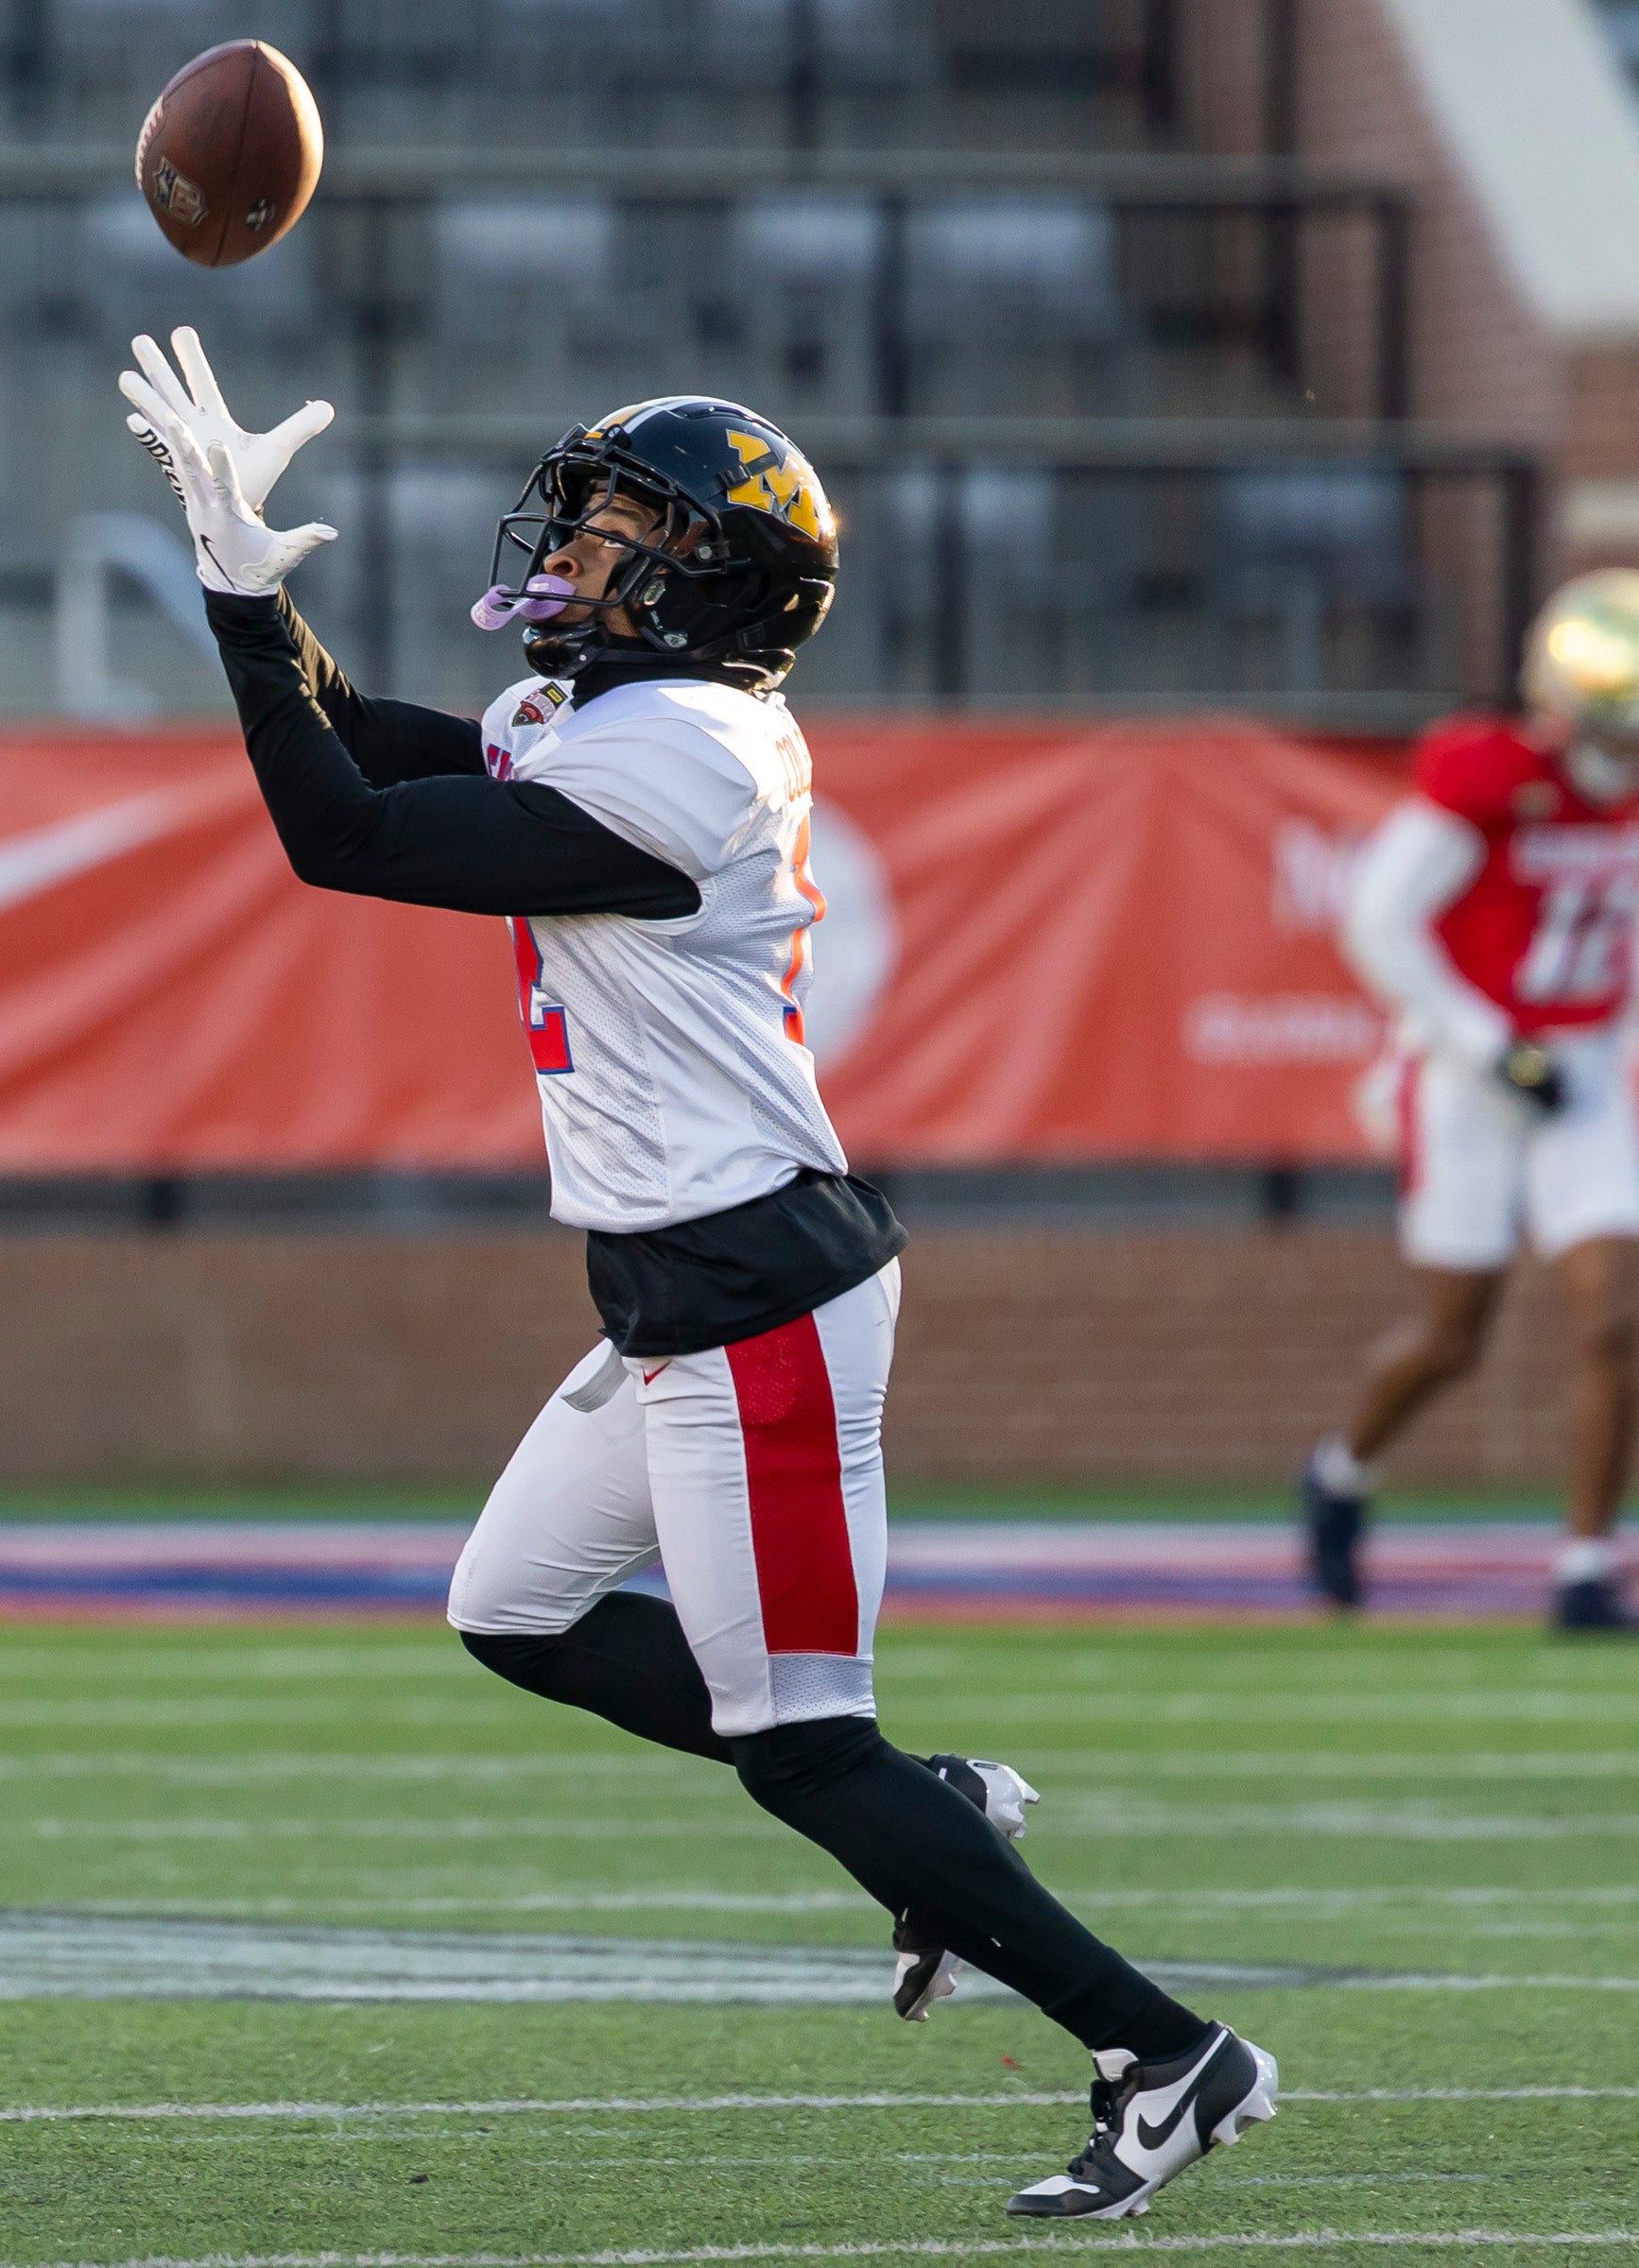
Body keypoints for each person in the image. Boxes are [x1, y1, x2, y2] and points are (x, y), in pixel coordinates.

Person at [115, 329, 1275, 2219]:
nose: (574, 556)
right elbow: (371, 743)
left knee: (800, 1749)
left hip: (755, 1301)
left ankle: (1167, 2054)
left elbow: (344, 835)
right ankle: (942, 1816)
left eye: (621, 531)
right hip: (680, 1293)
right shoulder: (615, 721)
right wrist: (241, 580)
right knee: (517, 1610)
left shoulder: (692, 753)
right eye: (584, 521)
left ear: (713, 576)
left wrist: (250, 610)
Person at [1303, 571, 1639, 1634]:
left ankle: (1586, 1569)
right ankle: (1343, 1471)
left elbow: (1626, 896)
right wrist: (1492, 1045)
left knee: (1613, 1319)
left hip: (1586, 1075)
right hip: (1468, 1079)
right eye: (1630, 724)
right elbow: (1379, 924)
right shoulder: (1486, 779)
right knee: (1453, 1337)